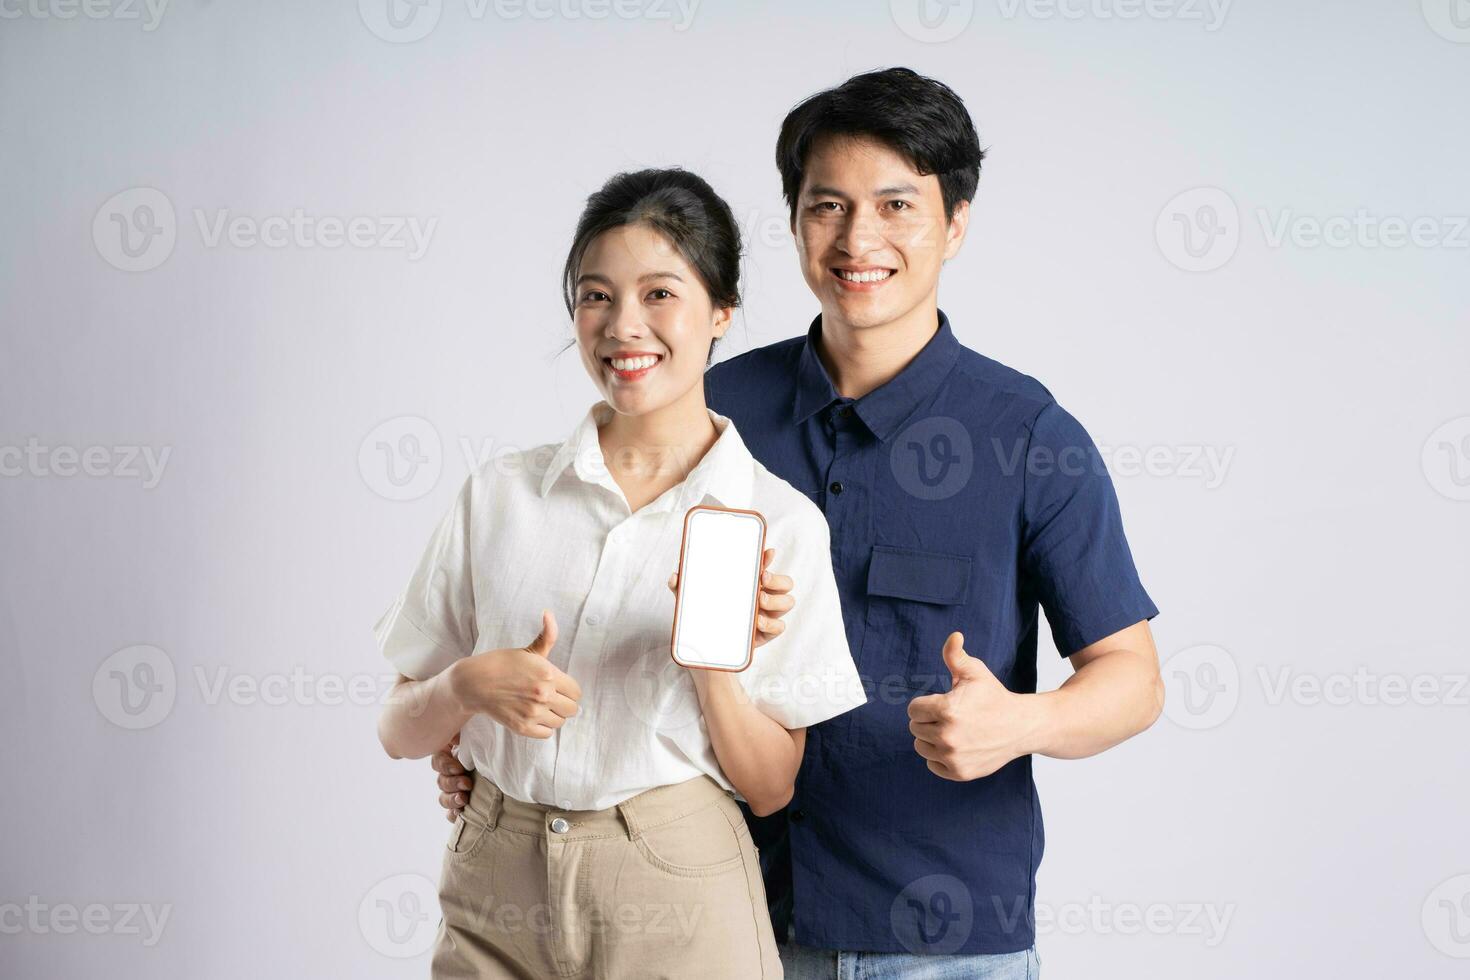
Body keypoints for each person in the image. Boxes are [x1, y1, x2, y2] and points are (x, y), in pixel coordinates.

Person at [437, 68, 1166, 978]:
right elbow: (582, 589)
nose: (860, 238)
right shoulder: (711, 409)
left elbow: (1131, 678)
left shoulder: (1028, 437)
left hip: (941, 940)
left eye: (897, 204)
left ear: (957, 221)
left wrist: (1021, 721)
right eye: (828, 206)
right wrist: (482, 749)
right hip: (711, 917)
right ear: (794, 224)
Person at [376, 167, 868, 979]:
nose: (623, 326)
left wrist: (712, 669)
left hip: (676, 885)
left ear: (720, 313)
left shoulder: (777, 524)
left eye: (660, 294)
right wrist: (467, 687)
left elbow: (773, 787)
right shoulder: (500, 494)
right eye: (595, 296)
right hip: (495, 879)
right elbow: (397, 729)